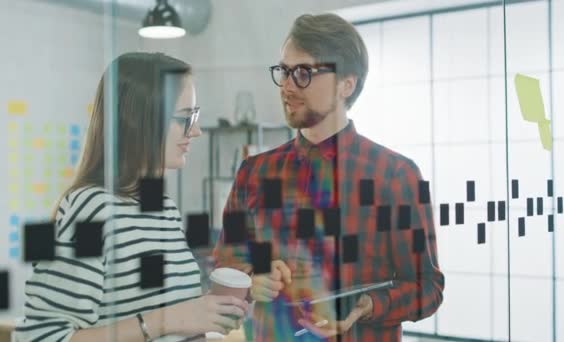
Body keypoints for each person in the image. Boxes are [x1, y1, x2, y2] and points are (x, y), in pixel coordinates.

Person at [213, 13, 444, 341]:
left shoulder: (396, 176)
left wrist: (367, 305)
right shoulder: (254, 172)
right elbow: (225, 266)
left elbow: (428, 287)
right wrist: (251, 280)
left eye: (304, 73)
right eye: (284, 71)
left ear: (345, 84)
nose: (288, 86)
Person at [15, 52, 248, 342]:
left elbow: (159, 315)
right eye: (186, 118)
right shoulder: (92, 209)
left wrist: (206, 315)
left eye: (195, 117)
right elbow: (40, 337)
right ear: (142, 121)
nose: (196, 130)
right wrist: (166, 321)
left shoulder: (163, 209)